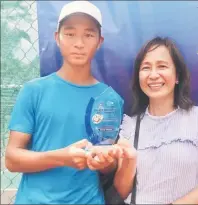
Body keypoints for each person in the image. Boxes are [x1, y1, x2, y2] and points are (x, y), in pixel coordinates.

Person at [5, 1, 123, 204]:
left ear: (99, 41)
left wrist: (104, 161)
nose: (79, 43)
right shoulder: (34, 91)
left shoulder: (110, 98)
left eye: (88, 34)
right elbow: (12, 159)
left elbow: (108, 165)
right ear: (57, 38)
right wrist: (62, 157)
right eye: (70, 34)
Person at [113, 37, 198, 204]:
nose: (153, 75)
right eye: (145, 68)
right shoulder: (130, 126)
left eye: (162, 66)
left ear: (177, 75)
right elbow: (122, 191)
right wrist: (128, 161)